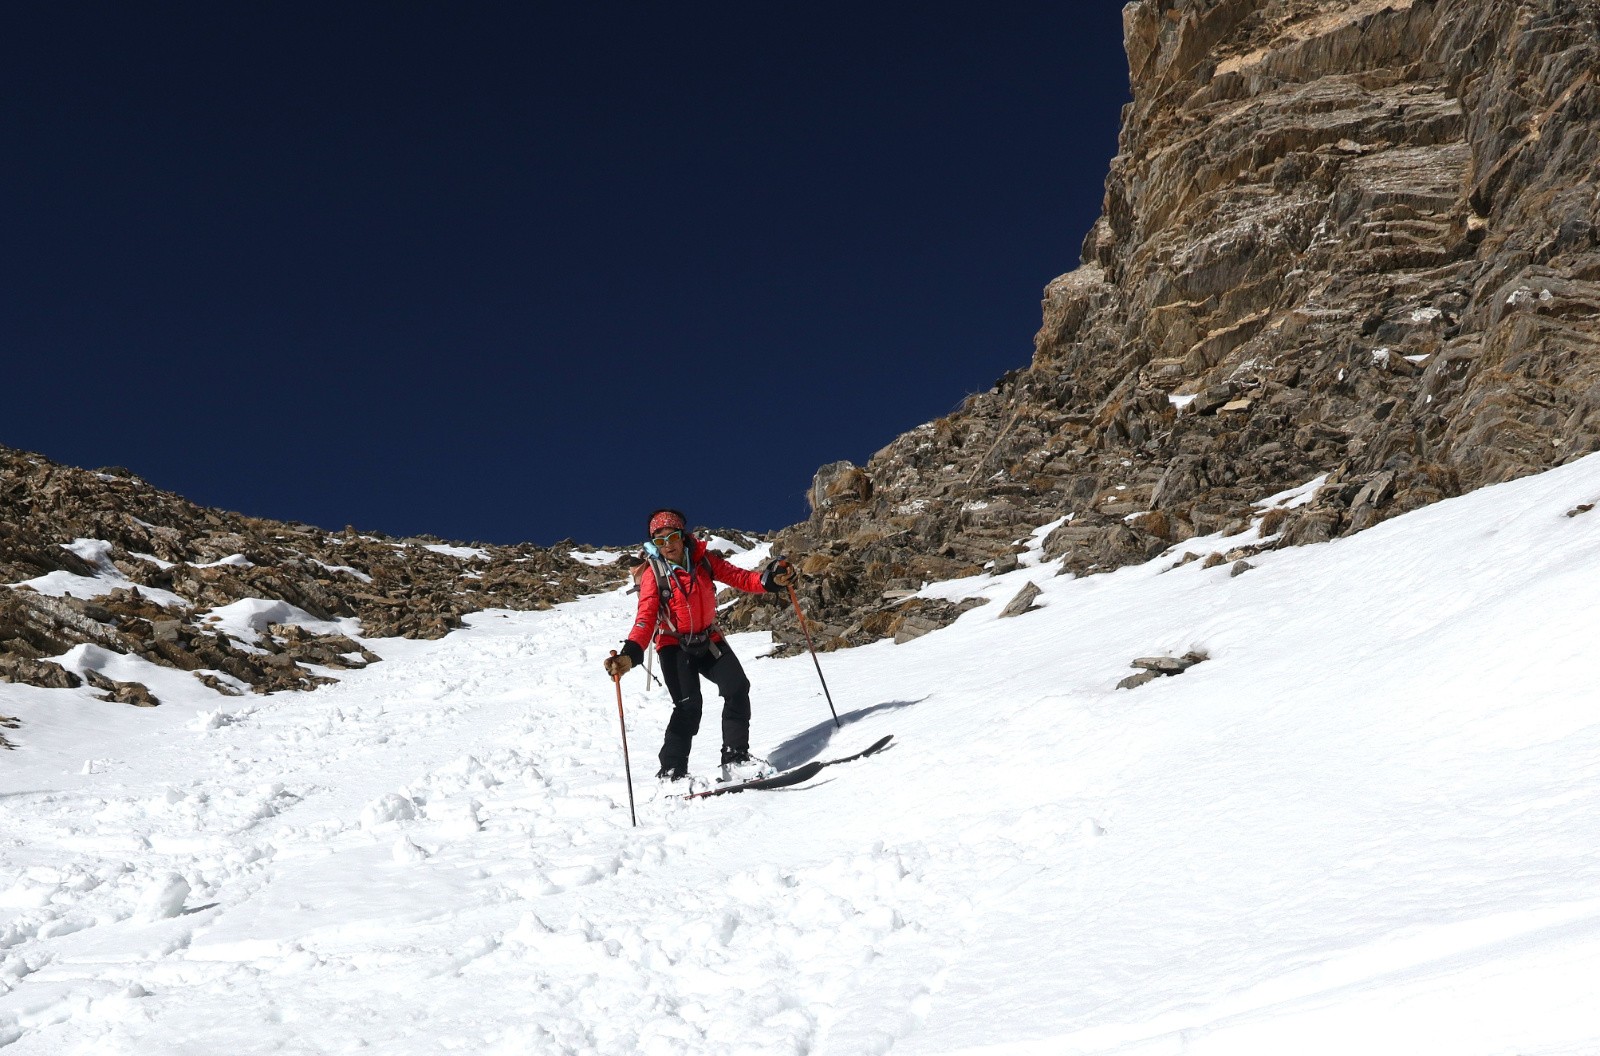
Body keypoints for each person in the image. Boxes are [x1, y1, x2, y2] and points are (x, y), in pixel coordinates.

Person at [603, 508, 797, 781]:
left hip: (708, 639)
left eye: (671, 537)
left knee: (737, 687)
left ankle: (735, 759)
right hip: (673, 645)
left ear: (682, 535)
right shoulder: (653, 574)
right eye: (659, 541)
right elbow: (645, 618)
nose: (667, 545)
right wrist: (630, 655)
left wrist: (769, 580)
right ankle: (671, 772)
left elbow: (740, 578)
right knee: (688, 707)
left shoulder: (703, 560)